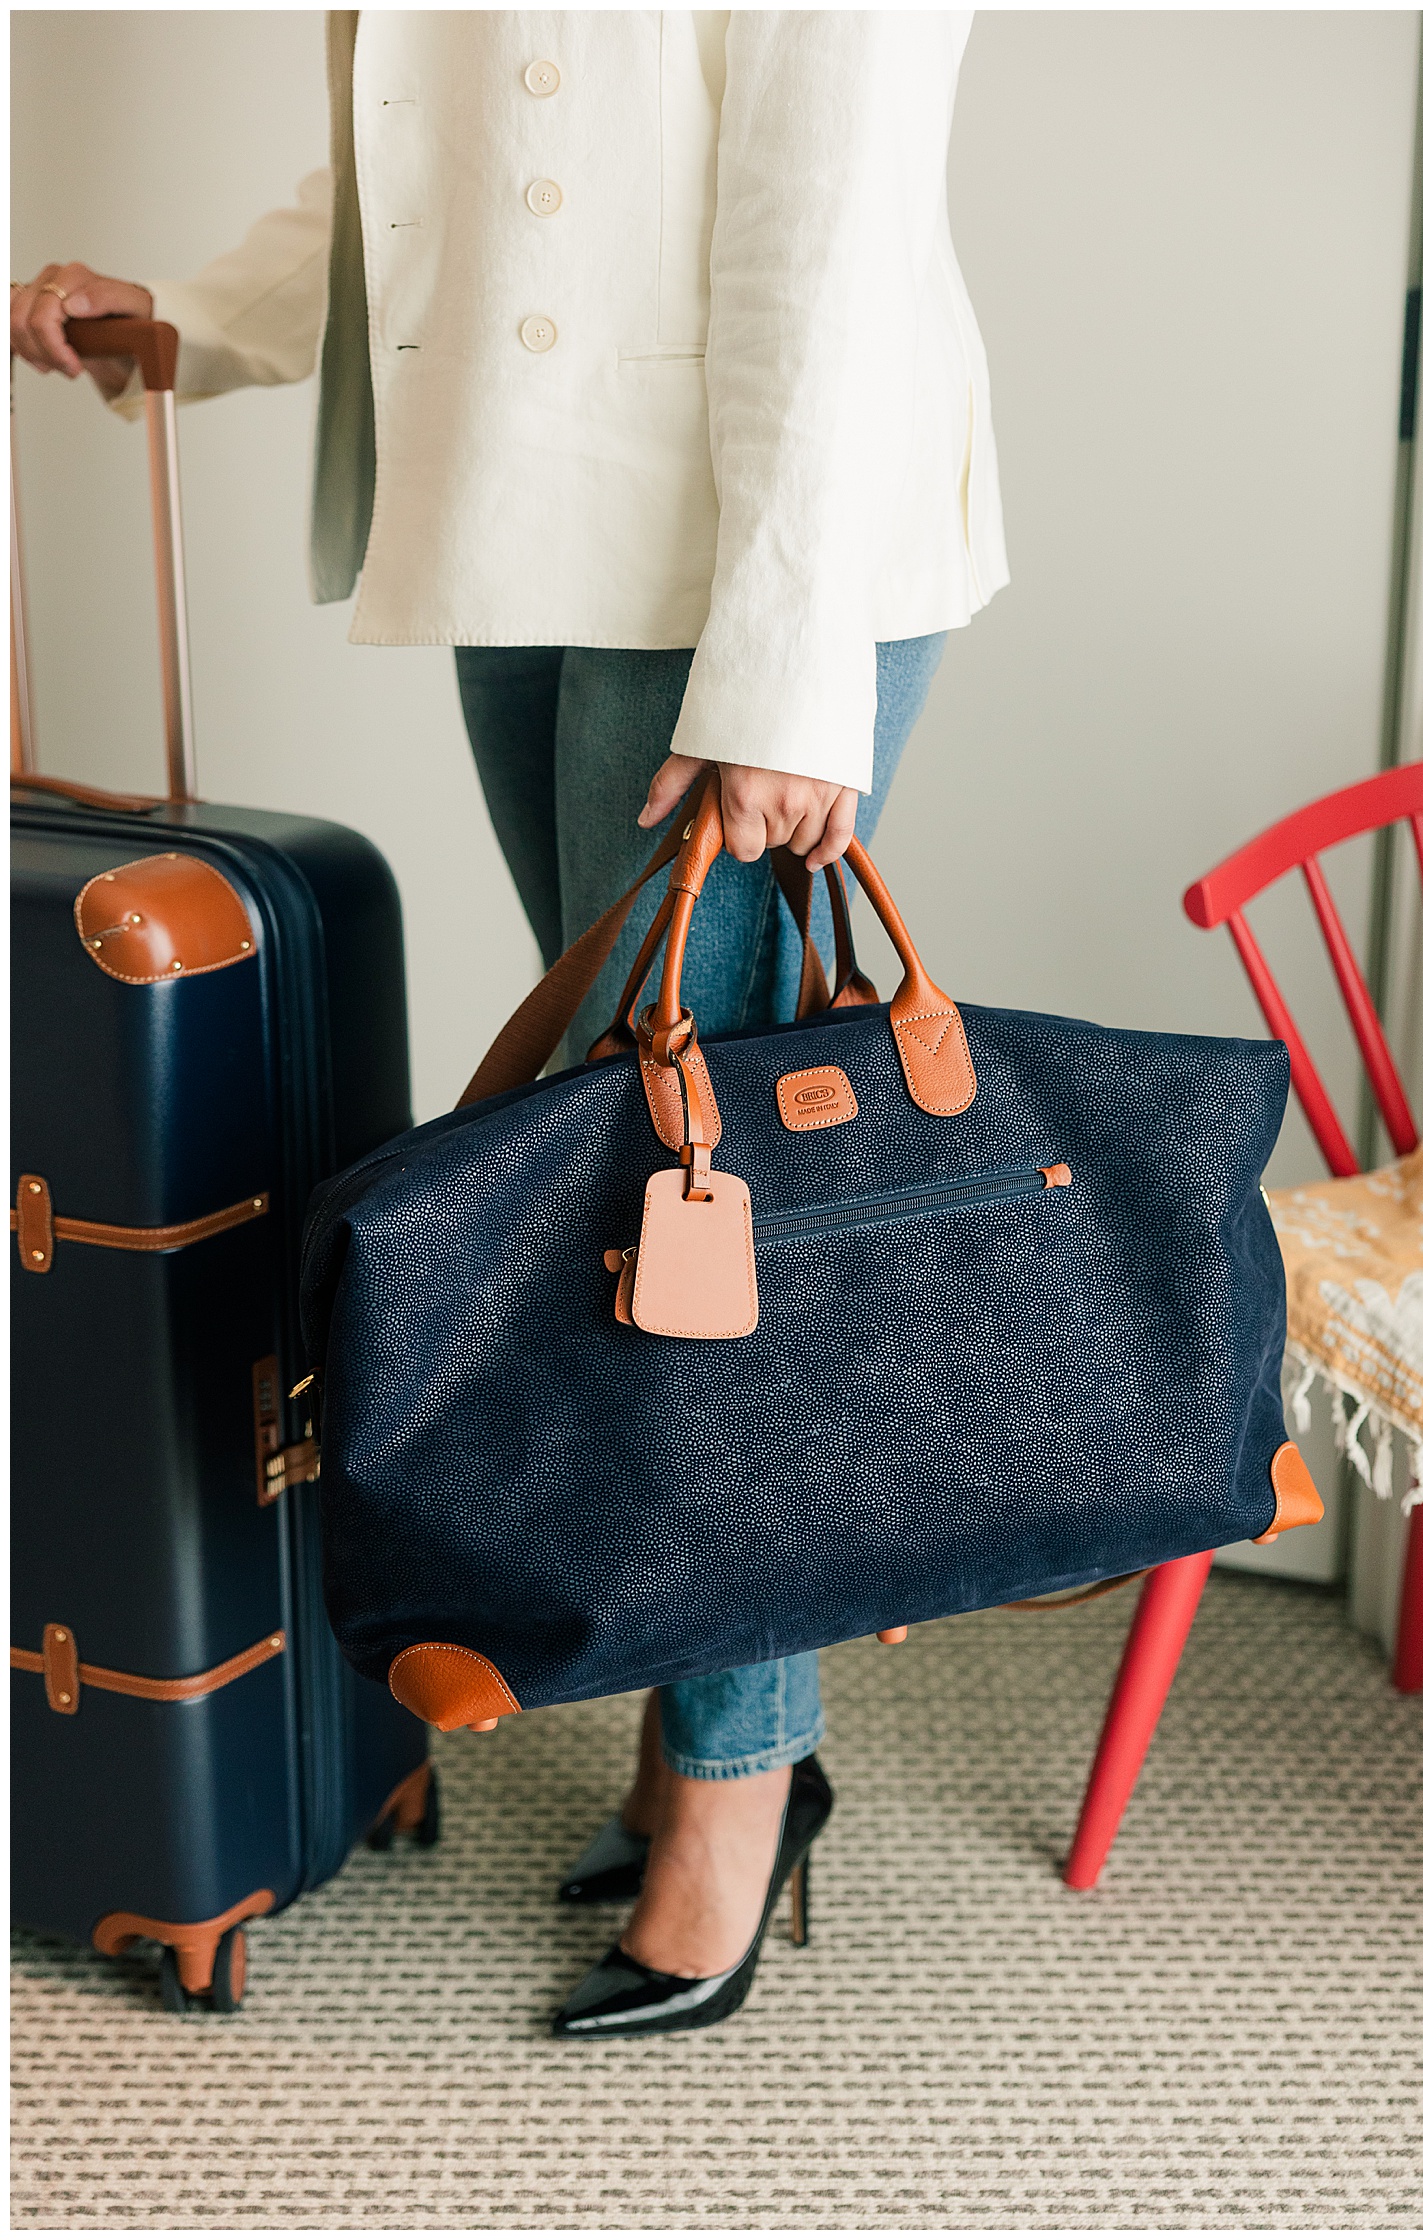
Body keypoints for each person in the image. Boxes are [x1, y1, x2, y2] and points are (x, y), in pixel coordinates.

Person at [12, 9, 1006, 2039]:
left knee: (691, 1200)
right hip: (530, 520)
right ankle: (725, 1733)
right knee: (633, 1162)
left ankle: (736, 1779)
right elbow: (437, 152)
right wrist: (195, 315)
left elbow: (836, 198)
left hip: (752, 568)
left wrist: (793, 660)